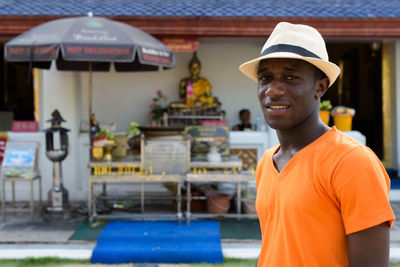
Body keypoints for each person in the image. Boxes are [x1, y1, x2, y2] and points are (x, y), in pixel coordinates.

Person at [239, 22, 395, 267]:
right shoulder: (267, 163)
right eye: (265, 78)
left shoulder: (351, 162)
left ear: (320, 87)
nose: (273, 89)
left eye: (290, 77)